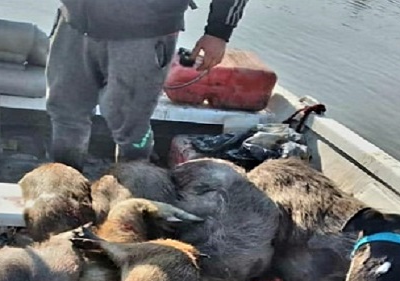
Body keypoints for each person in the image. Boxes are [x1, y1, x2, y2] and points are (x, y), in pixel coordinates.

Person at [45, 0, 250, 169]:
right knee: (65, 111)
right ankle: (65, 183)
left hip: (145, 32)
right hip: (74, 22)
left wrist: (218, 31)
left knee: (131, 126)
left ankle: (135, 190)